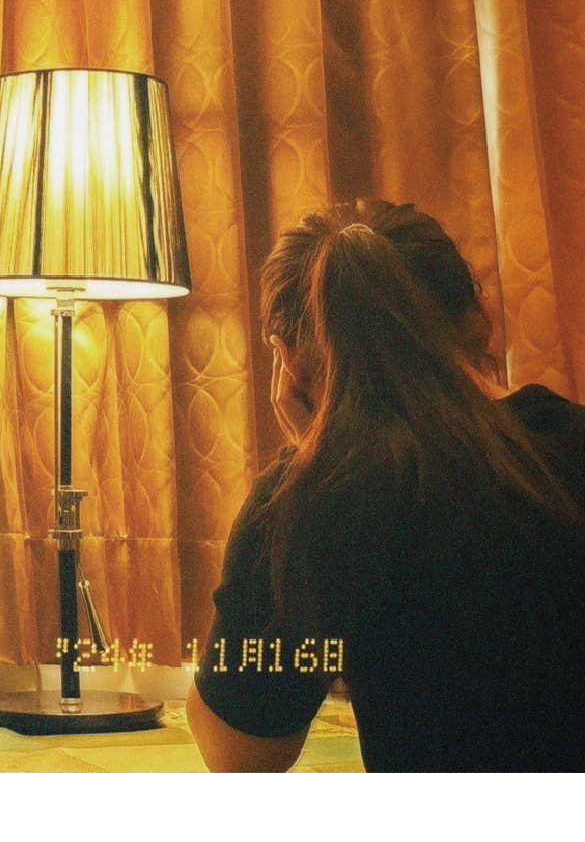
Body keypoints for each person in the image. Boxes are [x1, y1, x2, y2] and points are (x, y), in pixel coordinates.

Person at [187, 199, 585, 772]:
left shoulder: (311, 504)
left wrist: (308, 466)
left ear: (289, 365)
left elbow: (241, 755)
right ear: (477, 315)